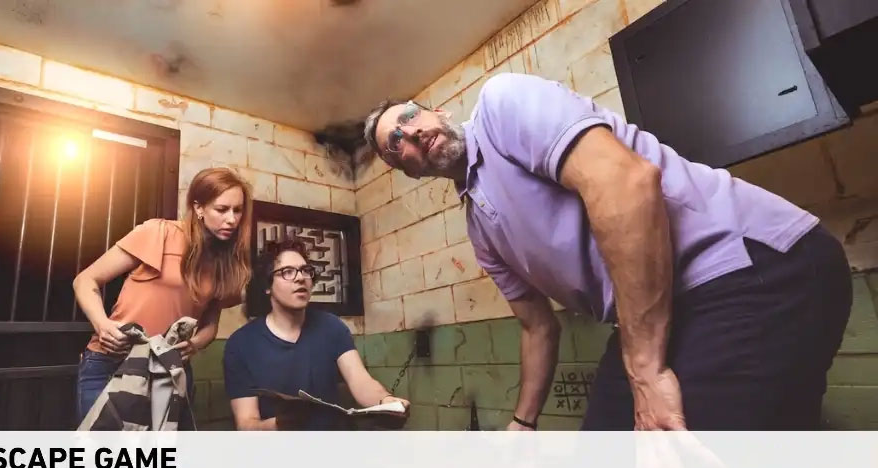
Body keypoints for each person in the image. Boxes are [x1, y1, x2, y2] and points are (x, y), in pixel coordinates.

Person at [362, 72, 852, 431]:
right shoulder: (480, 229)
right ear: (408, 171)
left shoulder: (500, 104)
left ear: (438, 113)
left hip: (749, 266)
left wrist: (646, 370)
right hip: (664, 313)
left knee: (673, 467)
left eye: (409, 116)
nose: (409, 133)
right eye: (394, 144)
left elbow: (627, 184)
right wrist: (522, 424)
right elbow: (536, 326)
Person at [73, 167, 253, 424]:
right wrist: (102, 325)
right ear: (199, 208)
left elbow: (211, 323)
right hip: (111, 363)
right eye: (222, 209)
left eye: (238, 210)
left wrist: (195, 344)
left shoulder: (225, 261)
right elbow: (85, 280)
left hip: (169, 369)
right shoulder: (159, 232)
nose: (232, 219)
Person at [224, 239, 410, 430]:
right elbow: (246, 425)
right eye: (287, 272)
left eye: (305, 270)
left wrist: (387, 401)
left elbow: (362, 383)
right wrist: (281, 424)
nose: (300, 278)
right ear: (267, 286)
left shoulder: (332, 327)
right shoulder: (241, 344)